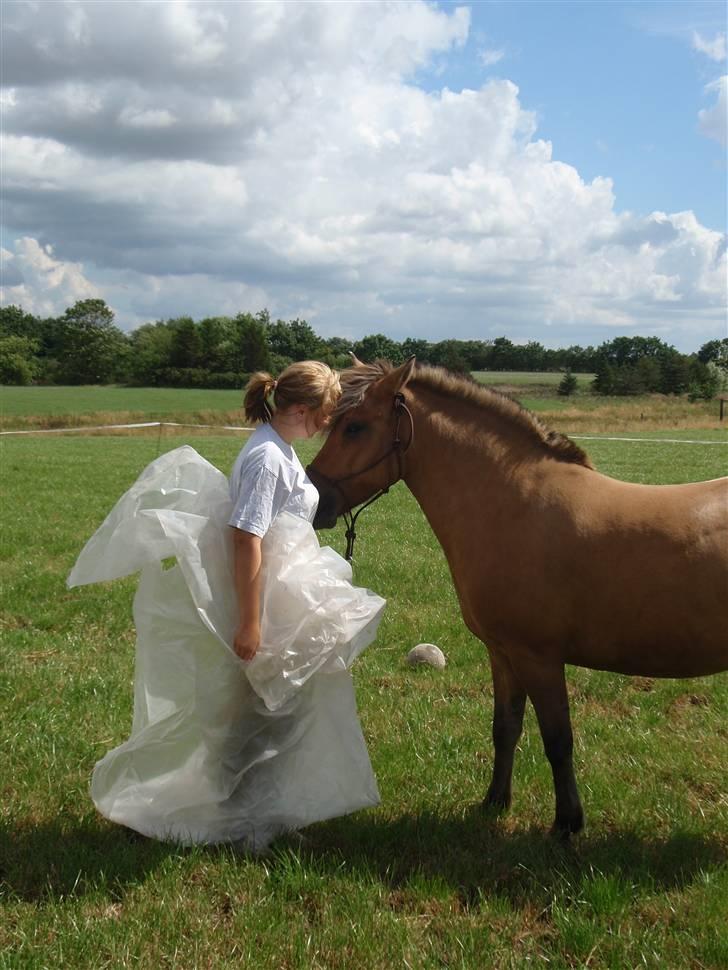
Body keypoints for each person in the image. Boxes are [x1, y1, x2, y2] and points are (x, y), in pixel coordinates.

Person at [67, 361, 386, 851]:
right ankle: (241, 822)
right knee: (257, 716)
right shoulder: (267, 459)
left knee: (277, 713)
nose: (328, 424)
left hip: (279, 595)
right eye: (324, 413)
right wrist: (251, 623)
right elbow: (245, 536)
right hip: (265, 601)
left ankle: (260, 814)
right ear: (300, 409)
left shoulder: (278, 449)